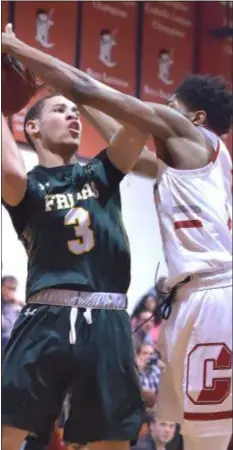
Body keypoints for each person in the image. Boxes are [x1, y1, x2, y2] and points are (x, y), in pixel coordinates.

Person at [2, 24, 232, 450]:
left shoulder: (134, 159)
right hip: (76, 313)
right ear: (31, 130)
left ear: (194, 118)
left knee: (196, 433)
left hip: (151, 308)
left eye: (169, 105)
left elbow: (111, 109)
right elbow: (121, 137)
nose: (159, 109)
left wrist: (20, 51)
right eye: (59, 111)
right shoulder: (181, 165)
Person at [1, 31, 151, 450]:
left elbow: (138, 124)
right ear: (31, 127)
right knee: (6, 430)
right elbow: (9, 173)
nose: (74, 117)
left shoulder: (100, 173)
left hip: (106, 321)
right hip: (44, 319)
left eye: (76, 113)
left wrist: (79, 91)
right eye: (62, 110)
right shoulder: (28, 187)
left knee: (112, 441)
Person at [1, 275, 22, 351]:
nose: (12, 292)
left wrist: (21, 305)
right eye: (9, 288)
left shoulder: (14, 304)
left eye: (14, 289)